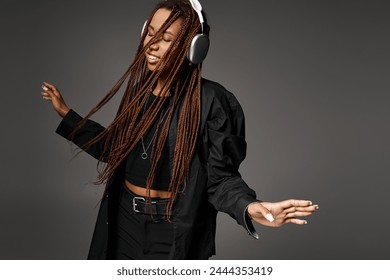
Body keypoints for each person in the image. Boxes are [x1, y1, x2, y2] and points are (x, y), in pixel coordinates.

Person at [41, 0, 319, 260]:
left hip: (172, 228)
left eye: (166, 39)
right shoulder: (139, 94)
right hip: (123, 219)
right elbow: (114, 150)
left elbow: (220, 178)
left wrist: (249, 207)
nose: (152, 45)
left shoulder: (213, 102)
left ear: (193, 48)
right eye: (150, 33)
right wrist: (67, 114)